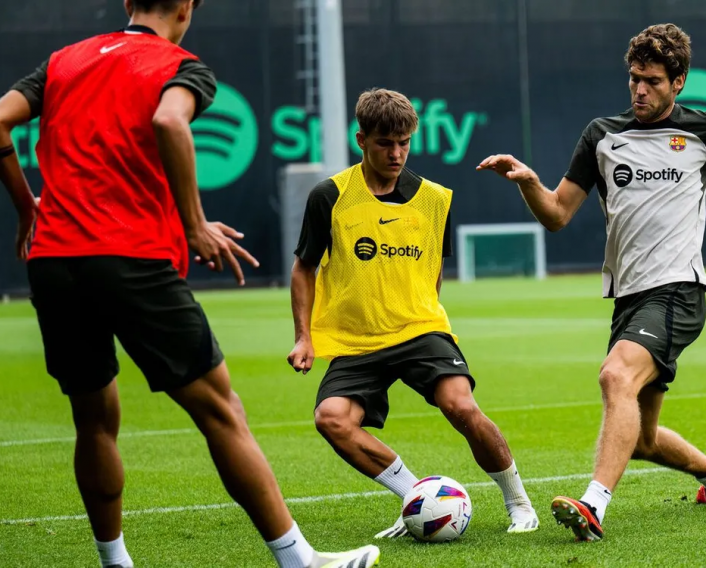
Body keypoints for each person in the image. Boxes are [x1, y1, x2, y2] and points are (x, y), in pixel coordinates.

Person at [0, 1, 380, 567]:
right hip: (130, 258)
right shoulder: (180, 65)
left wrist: (27, 210)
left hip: (55, 260)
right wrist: (195, 224)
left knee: (94, 420)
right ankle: (300, 561)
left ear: (128, 2)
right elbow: (168, 121)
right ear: (186, 7)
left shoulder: (63, 61)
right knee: (222, 411)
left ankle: (115, 561)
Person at [477, 23, 706, 542]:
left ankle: (593, 505)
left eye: (651, 80)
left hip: (678, 291)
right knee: (641, 438)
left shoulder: (705, 129)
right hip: (629, 299)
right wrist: (530, 183)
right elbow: (557, 213)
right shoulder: (602, 135)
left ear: (679, 82)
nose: (639, 90)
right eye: (633, 79)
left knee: (614, 377)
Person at [288, 88, 539, 539]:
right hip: (356, 340)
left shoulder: (434, 199)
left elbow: (434, 270)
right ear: (361, 139)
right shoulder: (329, 196)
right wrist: (304, 337)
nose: (396, 152)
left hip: (419, 328)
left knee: (460, 406)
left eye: (404, 142)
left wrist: (423, 313)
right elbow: (304, 268)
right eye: (385, 143)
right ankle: (415, 496)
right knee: (331, 419)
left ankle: (519, 503)